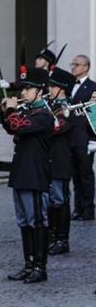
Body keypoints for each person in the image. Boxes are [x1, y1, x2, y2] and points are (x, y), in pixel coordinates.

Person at [0, 67, 54, 284]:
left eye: (28, 89)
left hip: (35, 173)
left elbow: (18, 127)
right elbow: (10, 127)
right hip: (21, 171)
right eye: (23, 89)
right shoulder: (28, 112)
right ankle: (29, 263)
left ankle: (40, 267)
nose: (23, 93)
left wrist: (11, 112)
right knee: (23, 221)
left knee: (36, 220)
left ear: (40, 91)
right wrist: (4, 110)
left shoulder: (44, 116)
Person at [46, 67, 75, 255]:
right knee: (49, 201)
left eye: (52, 86)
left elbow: (56, 128)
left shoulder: (69, 108)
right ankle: (51, 235)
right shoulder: (50, 105)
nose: (49, 89)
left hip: (60, 160)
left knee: (60, 199)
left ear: (62, 88)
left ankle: (62, 240)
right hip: (46, 159)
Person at [68, 55, 96, 220]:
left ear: (86, 67)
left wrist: (94, 138)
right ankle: (77, 207)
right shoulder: (70, 85)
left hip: (84, 137)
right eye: (73, 64)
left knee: (85, 174)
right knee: (75, 175)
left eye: (77, 64)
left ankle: (88, 208)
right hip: (70, 136)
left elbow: (94, 113)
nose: (73, 67)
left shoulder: (93, 87)